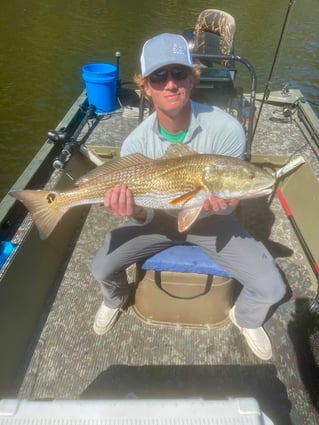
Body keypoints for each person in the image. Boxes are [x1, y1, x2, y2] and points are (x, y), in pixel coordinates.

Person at [90, 33, 286, 360]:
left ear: (192, 79)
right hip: (153, 220)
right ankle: (115, 299)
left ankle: (246, 318)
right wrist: (135, 212)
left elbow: (228, 197)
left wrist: (228, 204)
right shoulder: (135, 146)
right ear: (146, 87)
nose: (170, 84)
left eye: (179, 73)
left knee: (272, 288)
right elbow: (140, 213)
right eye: (158, 76)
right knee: (100, 268)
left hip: (212, 220)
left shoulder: (226, 130)